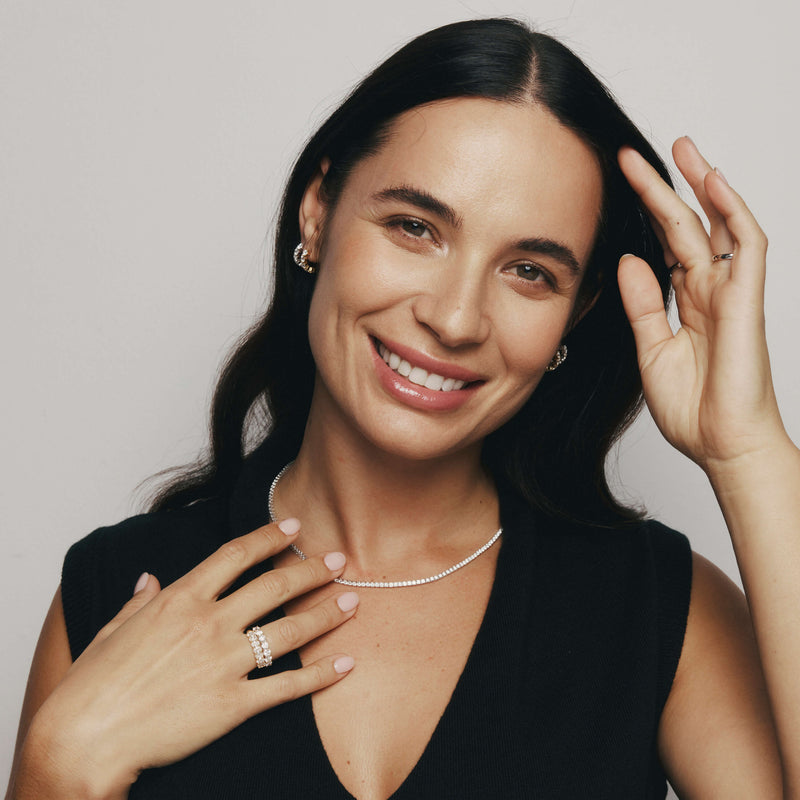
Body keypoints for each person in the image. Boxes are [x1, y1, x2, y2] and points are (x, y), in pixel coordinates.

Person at [5, 16, 798, 799]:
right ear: (318, 212)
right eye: (414, 227)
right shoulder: (118, 590)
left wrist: (748, 450)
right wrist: (58, 764)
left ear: (577, 312)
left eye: (529, 271)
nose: (454, 319)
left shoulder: (657, 609)